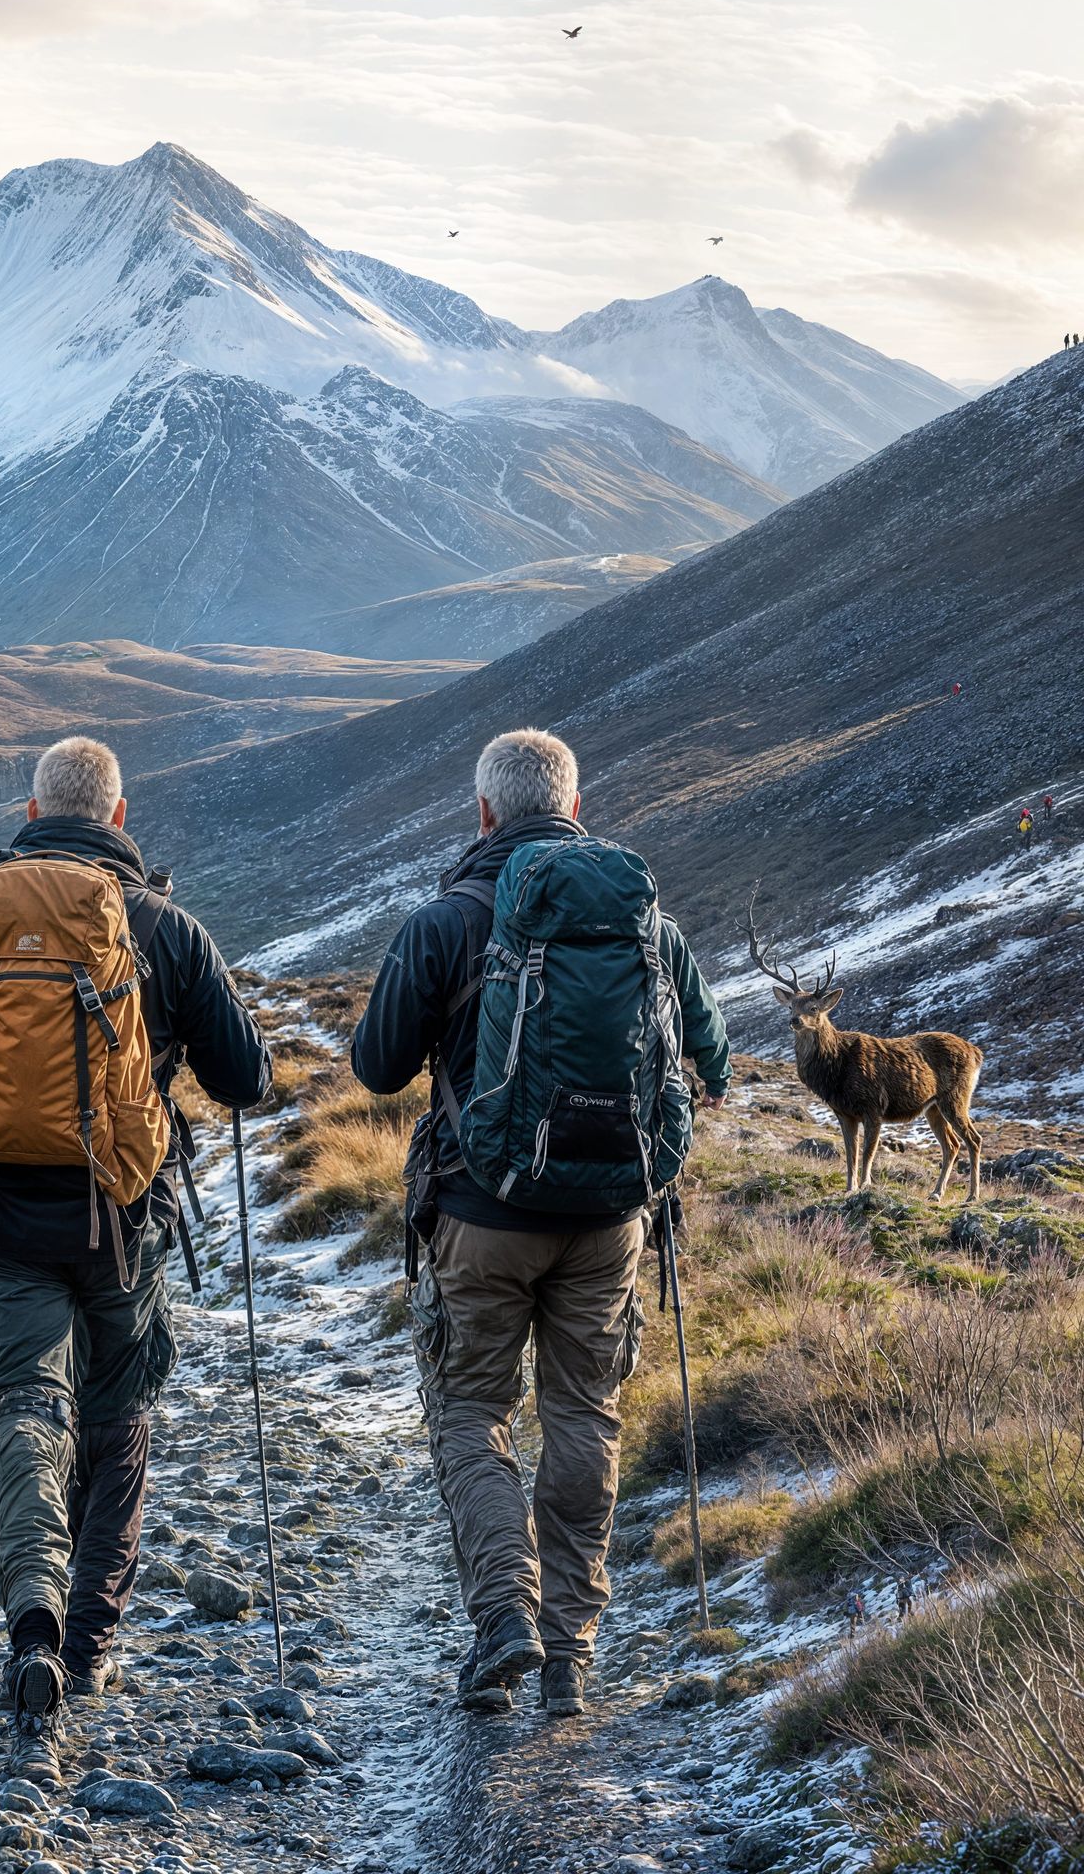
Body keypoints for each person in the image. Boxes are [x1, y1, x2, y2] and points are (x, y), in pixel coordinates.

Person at [0, 738, 270, 1787]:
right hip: (121, 1217)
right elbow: (247, 1080)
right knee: (115, 1416)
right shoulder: (163, 926)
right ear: (119, 812)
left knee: (19, 1404)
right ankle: (87, 1647)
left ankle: (30, 1614)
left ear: (30, 807)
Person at [351, 729, 731, 1720]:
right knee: (583, 1415)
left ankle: (502, 1617)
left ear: (482, 813)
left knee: (471, 1414)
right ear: (576, 801)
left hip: (477, 1214)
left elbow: (375, 1065)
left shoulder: (443, 921)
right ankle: (568, 1649)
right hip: (611, 1221)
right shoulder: (647, 924)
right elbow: (712, 1054)